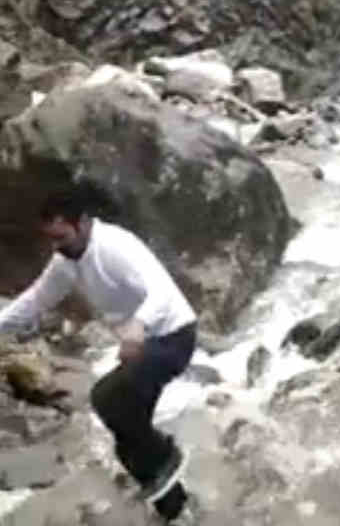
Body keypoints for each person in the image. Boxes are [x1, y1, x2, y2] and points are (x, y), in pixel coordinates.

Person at [0, 186, 197, 523]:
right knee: (126, 440)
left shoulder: (117, 246)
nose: (57, 247)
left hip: (172, 336)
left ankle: (168, 454)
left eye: (62, 237)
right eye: (51, 239)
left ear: (85, 223)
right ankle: (175, 509)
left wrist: (138, 325)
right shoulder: (67, 260)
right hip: (142, 346)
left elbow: (161, 292)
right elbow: (36, 300)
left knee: (107, 399)